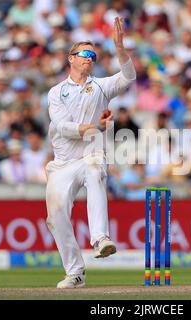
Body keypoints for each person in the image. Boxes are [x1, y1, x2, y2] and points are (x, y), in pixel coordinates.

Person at [45, 17, 136, 289]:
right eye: (84, 54)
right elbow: (62, 128)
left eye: (93, 55)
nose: (89, 58)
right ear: (70, 58)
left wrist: (120, 48)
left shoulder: (101, 86)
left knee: (96, 168)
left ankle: (100, 239)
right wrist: (94, 126)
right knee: (56, 215)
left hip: (90, 156)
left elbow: (129, 76)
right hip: (63, 163)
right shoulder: (56, 92)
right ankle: (75, 273)